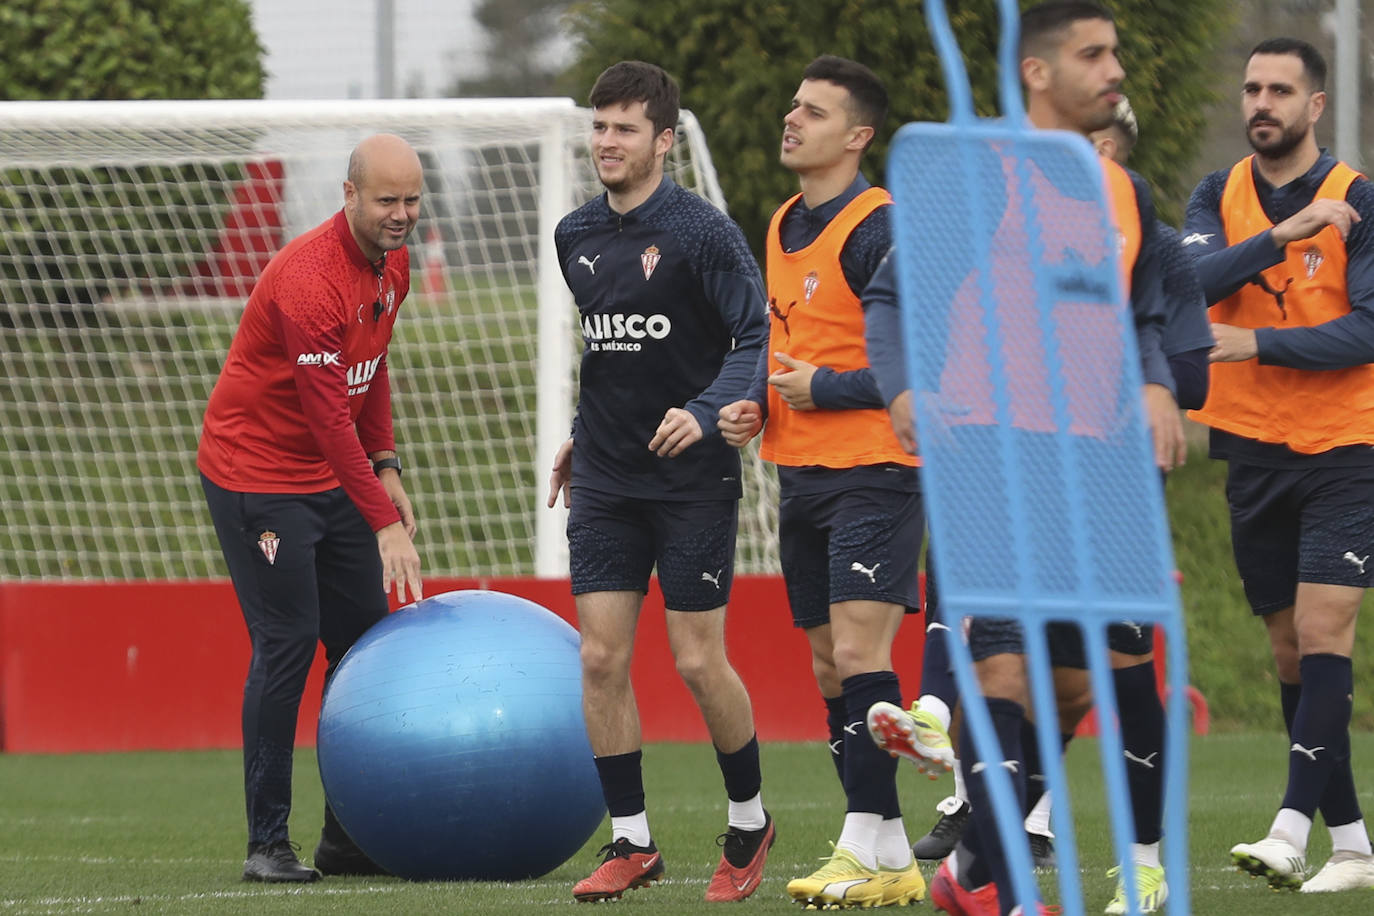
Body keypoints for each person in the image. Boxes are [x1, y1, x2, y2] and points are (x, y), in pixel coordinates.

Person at [861, 4, 1188, 914]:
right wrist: (902, 391)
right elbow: (891, 297)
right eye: (1095, 54)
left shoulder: (1123, 189)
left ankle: (968, 873)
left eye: (1115, 50)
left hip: (1099, 465)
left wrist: (1157, 384)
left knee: (1083, 688)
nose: (1114, 68)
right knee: (1004, 670)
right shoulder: (982, 176)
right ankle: (999, 886)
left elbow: (1149, 310)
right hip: (992, 453)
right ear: (1039, 74)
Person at [546, 60, 774, 904]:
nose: (607, 141)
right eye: (599, 126)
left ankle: (749, 819)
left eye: (625, 127)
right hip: (605, 481)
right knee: (602, 657)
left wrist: (709, 408)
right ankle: (632, 841)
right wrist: (578, 436)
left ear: (664, 141)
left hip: (692, 482)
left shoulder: (704, 233)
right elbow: (608, 355)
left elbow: (753, 339)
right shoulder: (574, 235)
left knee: (695, 659)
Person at [716, 54, 927, 909]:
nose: (792, 119)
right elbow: (786, 347)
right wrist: (758, 406)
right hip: (799, 475)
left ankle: (858, 846)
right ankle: (891, 851)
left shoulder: (883, 226)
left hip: (877, 470)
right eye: (793, 105)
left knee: (856, 654)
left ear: (859, 135)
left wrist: (827, 390)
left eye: (814, 111)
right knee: (828, 667)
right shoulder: (780, 225)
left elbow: (932, 367)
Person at [198, 133, 425, 883]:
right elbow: (329, 418)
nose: (402, 214)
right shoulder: (307, 279)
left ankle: (345, 839)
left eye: (413, 199)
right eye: (387, 200)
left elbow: (374, 365)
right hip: (256, 477)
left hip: (331, 478)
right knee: (288, 643)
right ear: (350, 194)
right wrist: (386, 522)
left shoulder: (393, 265)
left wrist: (387, 465)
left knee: (359, 650)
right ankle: (267, 844)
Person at [1182, 36, 1374, 894]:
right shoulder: (1213, 194)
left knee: (1328, 630)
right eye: (1253, 88)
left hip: (1347, 445)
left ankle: (1291, 830)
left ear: (1315, 107)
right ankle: (1357, 846)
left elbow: (1368, 330)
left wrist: (1256, 338)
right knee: (1292, 650)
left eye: (1280, 90)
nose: (1260, 102)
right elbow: (1185, 284)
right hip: (1253, 447)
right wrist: (1278, 238)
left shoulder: (1359, 200)